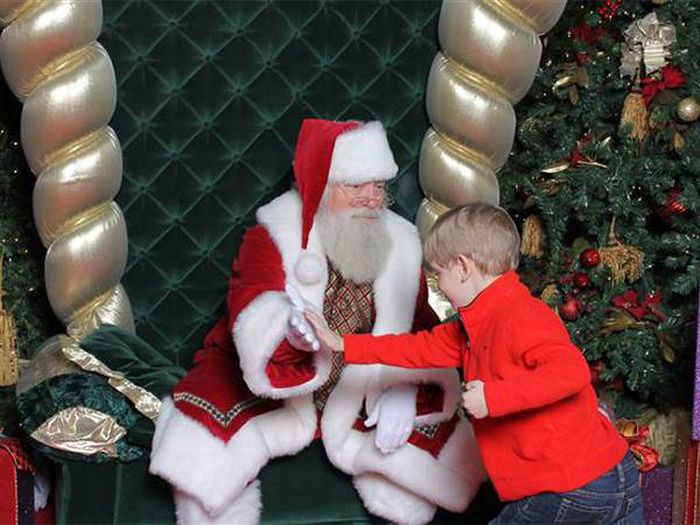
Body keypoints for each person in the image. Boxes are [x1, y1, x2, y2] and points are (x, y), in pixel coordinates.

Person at [149, 119, 486, 525]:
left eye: (379, 186)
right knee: (205, 447)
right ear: (322, 186)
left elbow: (420, 326)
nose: (371, 199)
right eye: (356, 186)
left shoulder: (400, 242)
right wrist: (288, 332)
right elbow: (250, 305)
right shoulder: (274, 231)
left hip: (360, 382)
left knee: (441, 459)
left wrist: (406, 387)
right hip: (281, 376)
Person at [306, 202, 644, 524]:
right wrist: (343, 344)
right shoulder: (475, 326)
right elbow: (418, 348)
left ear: (463, 267)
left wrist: (494, 397)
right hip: (614, 476)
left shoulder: (519, 316)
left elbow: (570, 371)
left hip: (570, 486)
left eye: (439, 275)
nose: (440, 286)